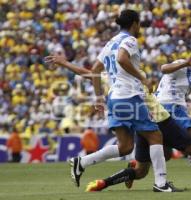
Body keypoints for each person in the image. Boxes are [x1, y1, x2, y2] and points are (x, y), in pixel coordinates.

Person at [47, 49, 191, 191]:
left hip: (137, 112)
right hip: (158, 110)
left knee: (140, 163)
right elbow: (164, 68)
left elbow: (88, 73)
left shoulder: (116, 76)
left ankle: (99, 181)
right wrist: (184, 63)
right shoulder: (143, 71)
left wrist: (63, 63)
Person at [46, 9, 177, 192]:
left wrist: (99, 96)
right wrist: (142, 77)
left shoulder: (110, 43)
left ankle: (81, 162)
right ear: (134, 24)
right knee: (156, 136)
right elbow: (122, 58)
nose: (139, 27)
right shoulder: (130, 40)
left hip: (114, 99)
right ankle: (161, 184)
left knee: (125, 147)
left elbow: (93, 71)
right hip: (129, 96)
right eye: (139, 24)